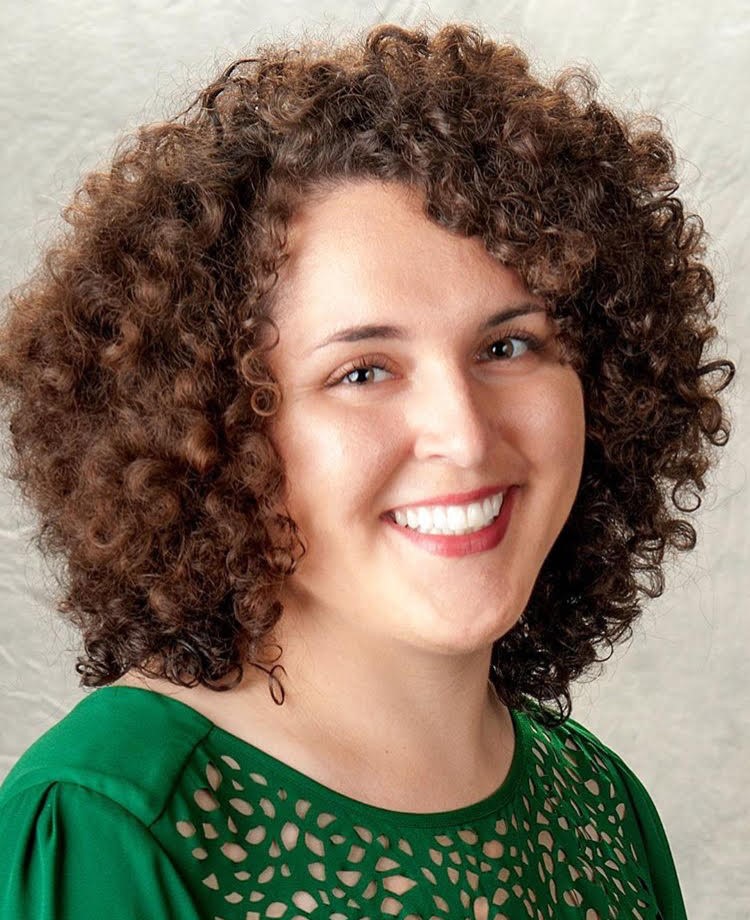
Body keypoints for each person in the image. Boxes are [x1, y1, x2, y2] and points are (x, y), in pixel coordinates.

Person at [0, 19, 734, 920]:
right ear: (211, 429)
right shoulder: (110, 824)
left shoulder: (600, 810)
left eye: (508, 344)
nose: (463, 436)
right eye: (362, 371)